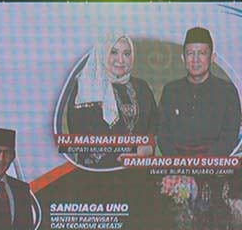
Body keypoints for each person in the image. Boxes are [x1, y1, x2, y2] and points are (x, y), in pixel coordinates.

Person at [65, 32, 157, 167]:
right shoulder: (86, 87)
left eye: (126, 54)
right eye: (114, 52)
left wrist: (146, 149)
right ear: (103, 53)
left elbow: (154, 126)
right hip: (97, 172)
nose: (121, 60)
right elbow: (79, 136)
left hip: (137, 169)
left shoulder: (142, 87)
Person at [157, 27, 242, 158]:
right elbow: (163, 134)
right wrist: (178, 163)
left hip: (215, 164)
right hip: (177, 164)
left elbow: (229, 136)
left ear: (212, 57)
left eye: (202, 53)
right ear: (183, 58)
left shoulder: (227, 92)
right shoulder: (170, 91)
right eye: (190, 53)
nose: (195, 59)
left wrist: (204, 163)